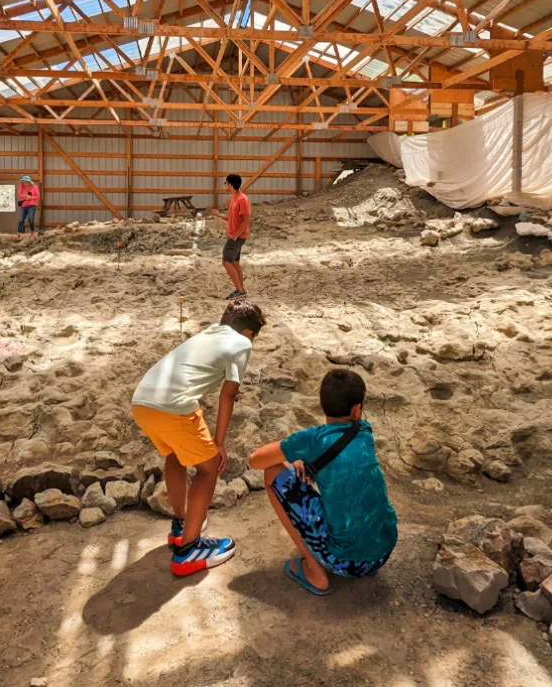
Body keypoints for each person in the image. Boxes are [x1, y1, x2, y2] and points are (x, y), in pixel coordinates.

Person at [131, 297, 266, 576]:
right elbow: (228, 394)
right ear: (249, 333)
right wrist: (219, 444)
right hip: (174, 407)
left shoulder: (209, 332)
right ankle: (189, 550)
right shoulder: (243, 343)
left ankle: (181, 525)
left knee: (174, 455)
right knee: (208, 468)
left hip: (142, 401)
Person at [248, 369, 397, 596]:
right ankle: (364, 553)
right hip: (383, 552)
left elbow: (256, 460)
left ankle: (314, 570)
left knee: (272, 473)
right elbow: (340, 460)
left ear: (322, 404)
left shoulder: (313, 438)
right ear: (357, 409)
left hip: (344, 562)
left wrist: (297, 454)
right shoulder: (364, 431)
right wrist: (307, 462)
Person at [209, 173, 251, 299]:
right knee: (235, 262)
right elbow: (233, 219)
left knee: (226, 261)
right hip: (234, 236)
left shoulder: (242, 199)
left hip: (236, 237)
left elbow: (246, 220)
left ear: (230, 184)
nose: (225, 185)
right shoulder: (234, 198)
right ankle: (241, 289)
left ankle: (239, 290)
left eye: (226, 183)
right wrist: (219, 215)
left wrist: (235, 235)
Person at [15, 175, 40, 243]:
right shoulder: (21, 186)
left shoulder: (35, 187)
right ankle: (19, 233)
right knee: (21, 219)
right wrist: (25, 196)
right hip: (23, 205)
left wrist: (30, 197)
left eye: (25, 182)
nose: (23, 183)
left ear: (29, 182)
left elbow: (37, 196)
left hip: (32, 205)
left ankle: (32, 232)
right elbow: (19, 194)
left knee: (31, 219)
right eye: (23, 182)